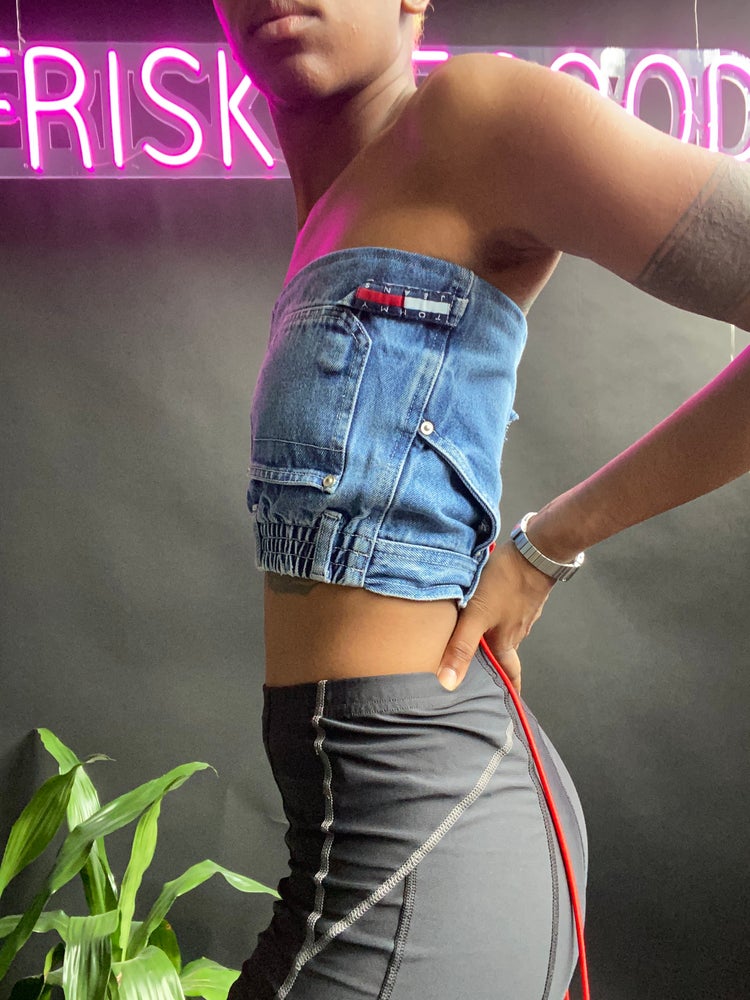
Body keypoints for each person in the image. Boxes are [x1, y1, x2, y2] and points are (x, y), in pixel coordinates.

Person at [211, 2, 750, 998]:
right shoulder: (335, 207)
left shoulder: (472, 115)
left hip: (422, 829)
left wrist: (551, 542)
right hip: (378, 818)